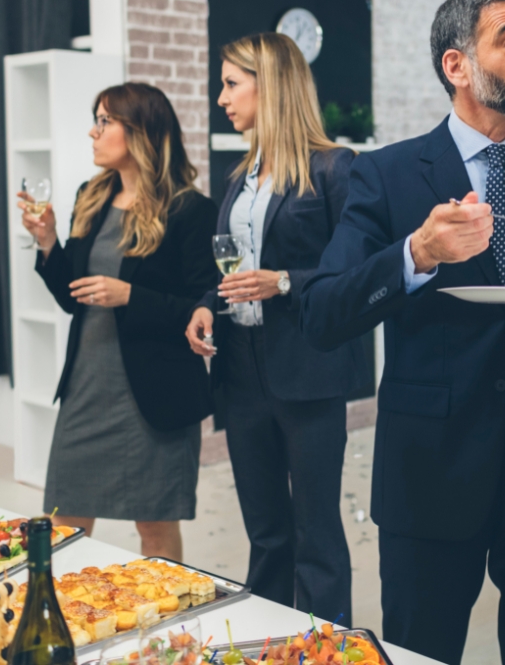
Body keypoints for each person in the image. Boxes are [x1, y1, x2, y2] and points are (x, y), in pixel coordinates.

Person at [300, 0, 505, 665]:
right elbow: (324, 313)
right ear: (457, 65)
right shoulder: (385, 177)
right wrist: (416, 253)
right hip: (430, 475)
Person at [184, 32, 361, 623]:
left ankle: (325, 652)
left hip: (307, 370)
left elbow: (354, 275)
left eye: (232, 83)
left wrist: (283, 281)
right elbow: (231, 267)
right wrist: (209, 302)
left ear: (272, 84)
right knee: (265, 533)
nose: (221, 97)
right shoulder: (240, 178)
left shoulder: (335, 168)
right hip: (241, 370)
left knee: (317, 536)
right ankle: (266, 641)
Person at [23, 82, 217, 560]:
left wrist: (131, 295)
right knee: (64, 520)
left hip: (152, 393)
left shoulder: (190, 209)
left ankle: (164, 625)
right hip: (87, 385)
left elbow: (203, 306)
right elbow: (75, 298)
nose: (93, 132)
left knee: (154, 526)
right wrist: (48, 242)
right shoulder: (90, 195)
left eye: (105, 121)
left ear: (141, 132)